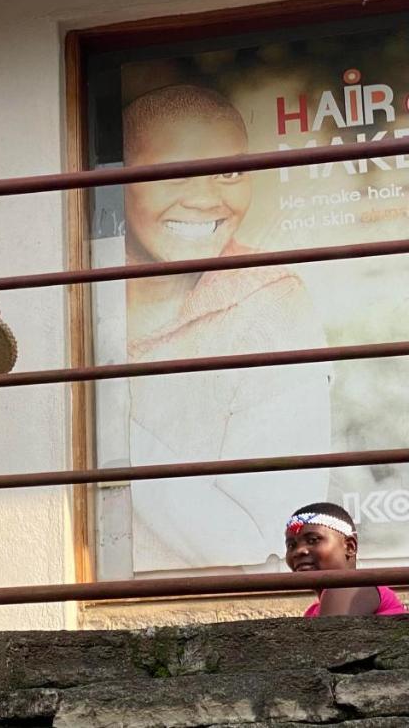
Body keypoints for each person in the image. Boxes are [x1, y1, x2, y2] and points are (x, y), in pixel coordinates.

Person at [120, 85, 331, 573]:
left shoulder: (270, 302)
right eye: (171, 173)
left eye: (230, 172)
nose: (203, 199)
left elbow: (260, 535)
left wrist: (110, 424)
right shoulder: (84, 295)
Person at [284, 502, 405, 616]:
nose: (298, 551)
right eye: (291, 545)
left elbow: (328, 637)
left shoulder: (350, 587)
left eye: (313, 540)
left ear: (349, 546)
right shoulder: (312, 611)